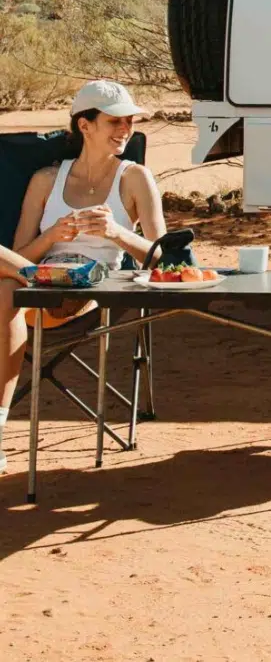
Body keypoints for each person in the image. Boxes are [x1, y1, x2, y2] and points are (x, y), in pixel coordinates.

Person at [0, 79, 166, 477]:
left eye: (129, 122)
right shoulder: (46, 179)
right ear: (85, 125)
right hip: (33, 284)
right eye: (115, 122)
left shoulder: (135, 178)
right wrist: (53, 236)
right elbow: (19, 252)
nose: (125, 129)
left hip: (89, 291)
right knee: (10, 285)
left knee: (7, 289)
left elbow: (166, 255)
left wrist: (117, 234)